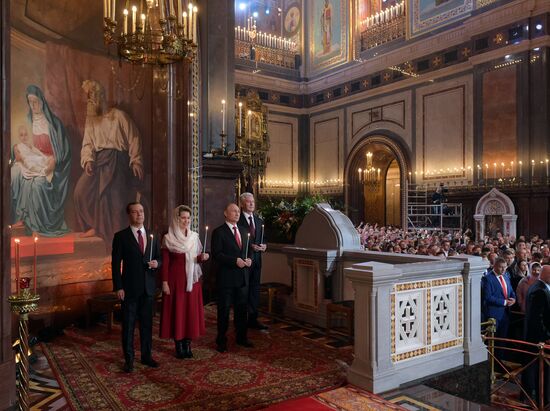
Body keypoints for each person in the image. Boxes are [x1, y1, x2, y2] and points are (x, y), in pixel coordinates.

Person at [74, 80, 144, 246]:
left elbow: (134, 137)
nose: (91, 102)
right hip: (98, 163)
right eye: (89, 99)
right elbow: (87, 144)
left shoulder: (118, 116)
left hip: (118, 162)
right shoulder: (91, 120)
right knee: (80, 193)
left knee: (114, 200)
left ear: (102, 97)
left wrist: (136, 160)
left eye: (94, 98)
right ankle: (95, 226)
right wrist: (88, 160)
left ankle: (114, 239)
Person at [11, 85, 71, 237]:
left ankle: (35, 225)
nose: (33, 105)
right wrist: (16, 150)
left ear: (42, 101)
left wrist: (54, 161)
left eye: (36, 101)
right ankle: (22, 219)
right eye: (30, 102)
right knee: (15, 173)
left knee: (37, 184)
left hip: (50, 163)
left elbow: (63, 151)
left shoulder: (54, 124)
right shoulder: (29, 121)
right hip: (33, 158)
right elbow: (21, 141)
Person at [112, 202, 161, 373]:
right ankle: (129, 360)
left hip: (148, 288)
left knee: (147, 325)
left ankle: (146, 356)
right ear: (129, 215)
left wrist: (157, 263)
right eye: (135, 212)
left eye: (141, 211)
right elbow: (115, 263)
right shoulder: (121, 236)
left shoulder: (152, 234)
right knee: (129, 326)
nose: (139, 214)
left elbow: (159, 258)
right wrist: (118, 287)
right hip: (129, 289)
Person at [160, 205, 209, 359]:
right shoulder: (168, 238)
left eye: (188, 218)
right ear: (177, 218)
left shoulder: (194, 236)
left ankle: (187, 344)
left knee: (190, 312)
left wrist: (202, 258)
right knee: (178, 311)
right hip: (175, 281)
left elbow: (196, 258)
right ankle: (179, 345)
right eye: (183, 218)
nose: (186, 220)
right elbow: (166, 262)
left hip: (192, 281)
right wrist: (164, 282)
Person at [211, 203, 253, 353]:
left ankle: (241, 337)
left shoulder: (244, 230)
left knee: (242, 310)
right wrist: (234, 261)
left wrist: (249, 259)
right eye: (233, 211)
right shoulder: (219, 232)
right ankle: (221, 340)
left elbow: (249, 251)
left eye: (238, 211)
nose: (237, 213)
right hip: (227, 279)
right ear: (225, 213)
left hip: (242, 278)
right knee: (224, 311)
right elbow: (217, 254)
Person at [238, 192, 268, 330]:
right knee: (244, 290)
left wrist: (264, 246)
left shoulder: (259, 221)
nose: (251, 204)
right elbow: (236, 241)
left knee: (255, 290)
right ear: (242, 204)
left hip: (257, 260)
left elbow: (263, 239)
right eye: (248, 202)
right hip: (244, 260)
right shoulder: (238, 221)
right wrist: (250, 246)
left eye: (253, 202)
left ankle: (253, 318)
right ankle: (242, 319)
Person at [522, 265, 550, 403]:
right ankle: (538, 399)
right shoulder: (539, 290)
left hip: (535, 336)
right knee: (535, 369)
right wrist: (547, 336)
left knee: (533, 368)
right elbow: (537, 319)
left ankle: (531, 396)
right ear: (546, 275)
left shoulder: (541, 287)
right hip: (538, 338)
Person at [481, 257, 516, 340]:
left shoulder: (506, 276)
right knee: (493, 340)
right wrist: (504, 302)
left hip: (506, 313)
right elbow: (488, 297)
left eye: (505, 267)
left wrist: (513, 299)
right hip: (493, 315)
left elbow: (511, 290)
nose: (503, 269)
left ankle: (501, 353)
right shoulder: (487, 279)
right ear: (495, 266)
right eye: (501, 267)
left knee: (503, 339)